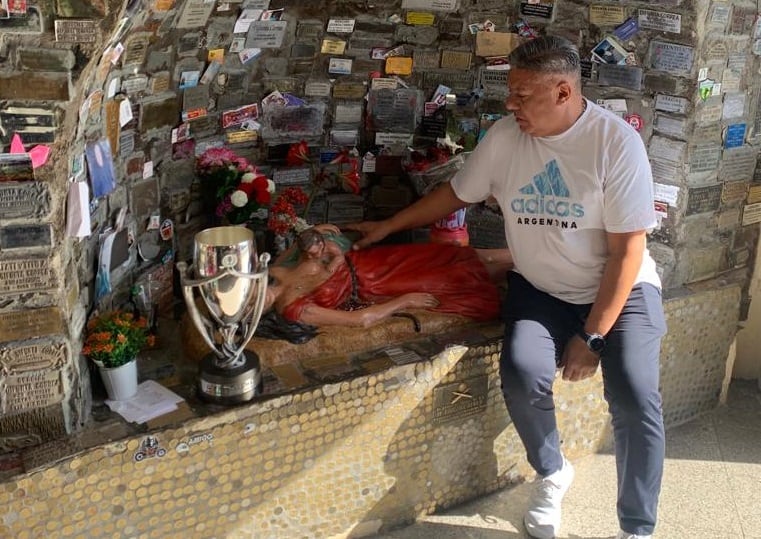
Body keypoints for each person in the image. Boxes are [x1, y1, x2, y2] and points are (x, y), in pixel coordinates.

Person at [347, 36, 666, 539]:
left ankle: (637, 527)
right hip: (540, 288)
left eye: (522, 95)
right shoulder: (504, 137)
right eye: (509, 94)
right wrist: (386, 228)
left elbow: (627, 253)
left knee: (634, 393)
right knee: (521, 373)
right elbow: (457, 192)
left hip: (619, 292)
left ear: (564, 92)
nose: (510, 105)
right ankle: (553, 471)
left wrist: (593, 336)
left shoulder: (614, 144)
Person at [263, 227, 503, 329]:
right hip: (372, 286)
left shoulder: (274, 271)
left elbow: (300, 245)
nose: (257, 300)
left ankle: (514, 258)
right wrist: (404, 301)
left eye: (249, 295)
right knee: (448, 279)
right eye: (252, 308)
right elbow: (360, 320)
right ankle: (512, 267)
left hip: (367, 262)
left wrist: (317, 231)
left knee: (440, 255)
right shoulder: (295, 310)